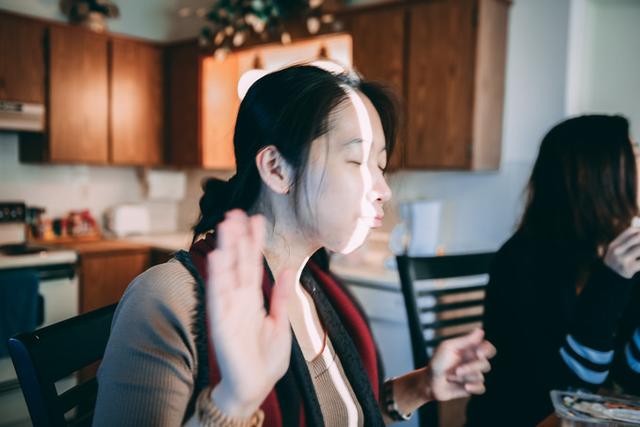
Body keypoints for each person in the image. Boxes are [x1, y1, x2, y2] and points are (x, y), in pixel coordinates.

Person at [94, 64, 496, 427]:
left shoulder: (313, 289)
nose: (382, 190)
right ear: (276, 169)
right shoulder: (167, 299)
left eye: (380, 165)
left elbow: (337, 414)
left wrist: (421, 386)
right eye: (356, 162)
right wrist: (233, 403)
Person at [466, 115, 640, 427]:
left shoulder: (622, 254)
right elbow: (570, 391)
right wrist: (611, 283)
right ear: (601, 177)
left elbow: (629, 377)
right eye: (635, 158)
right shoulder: (523, 261)